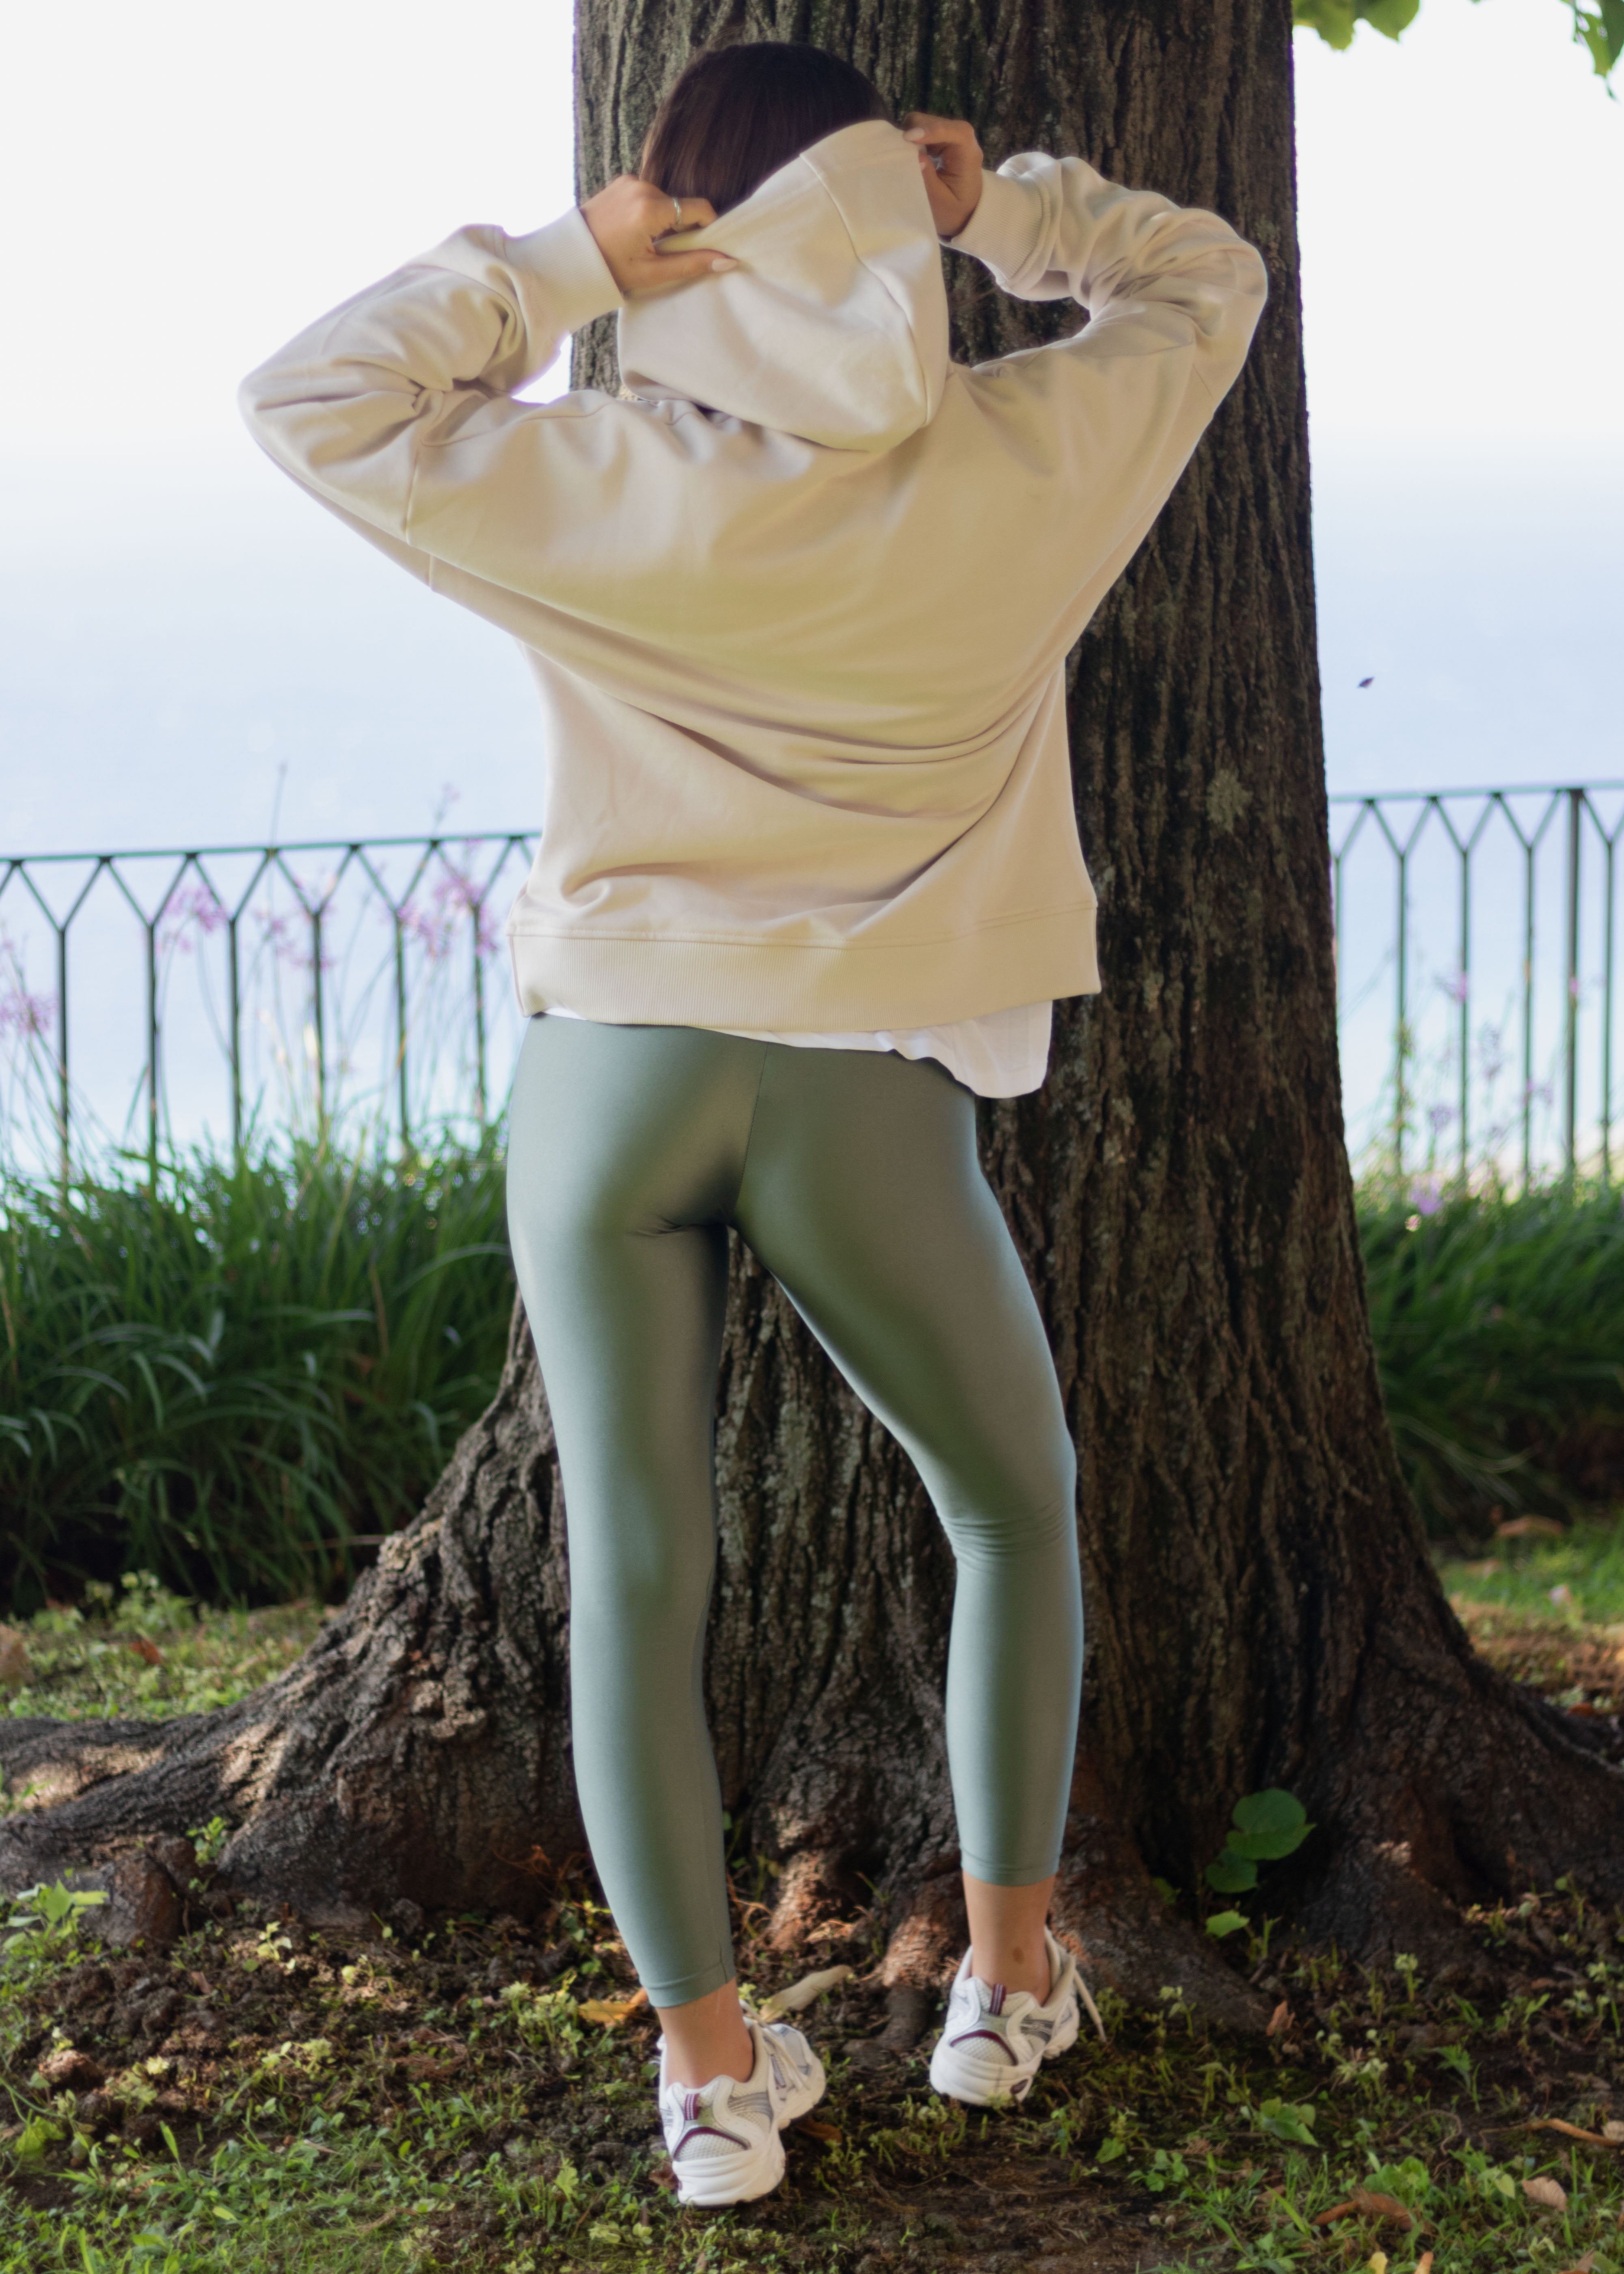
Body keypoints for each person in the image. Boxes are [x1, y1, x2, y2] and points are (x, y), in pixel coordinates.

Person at [240, 39, 1266, 2208]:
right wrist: (1013, 210)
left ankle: (712, 2093)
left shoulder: (599, 474)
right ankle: (1002, 1990)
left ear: (683, 227)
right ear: (890, 200)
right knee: (1014, 1512)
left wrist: (561, 263)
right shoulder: (1024, 465)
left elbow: (312, 398)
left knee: (636, 1579)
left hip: (610, 1079)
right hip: (852, 1090)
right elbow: (1208, 285)